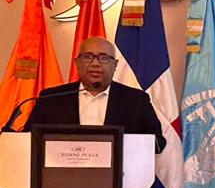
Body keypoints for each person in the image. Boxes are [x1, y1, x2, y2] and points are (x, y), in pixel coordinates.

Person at [26, 36, 164, 150]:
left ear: (115, 65)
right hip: (62, 173)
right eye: (88, 57)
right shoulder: (51, 99)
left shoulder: (136, 101)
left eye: (104, 58)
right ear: (77, 63)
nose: (95, 63)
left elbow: (157, 143)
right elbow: (27, 139)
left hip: (120, 173)